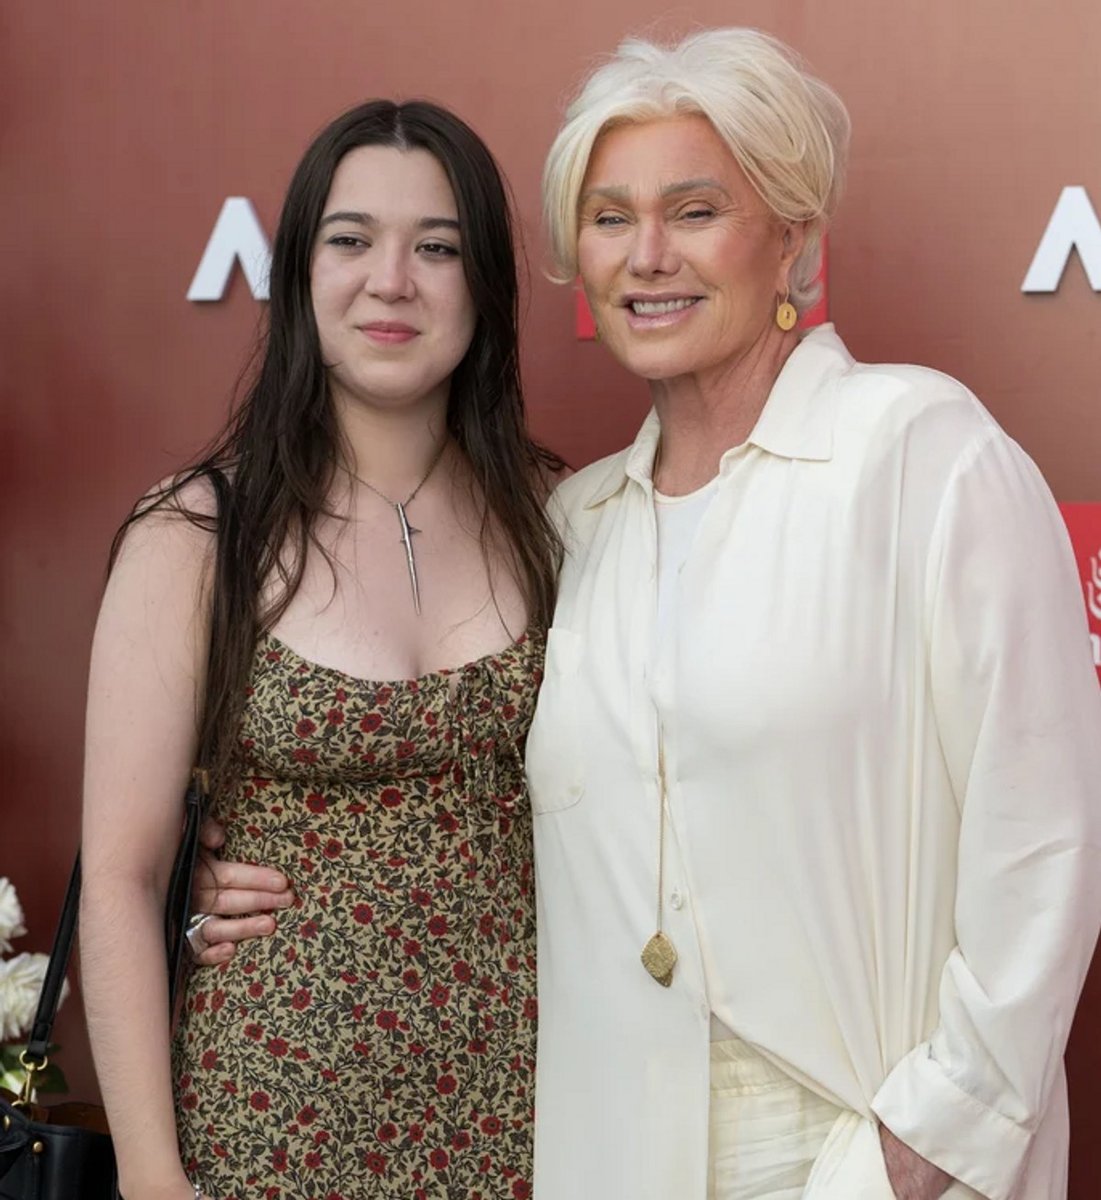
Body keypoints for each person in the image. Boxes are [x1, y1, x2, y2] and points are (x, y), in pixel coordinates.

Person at [194, 28, 1101, 1200]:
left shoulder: (924, 457)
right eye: (612, 218)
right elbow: (489, 816)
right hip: (610, 1148)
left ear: (795, 242)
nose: (647, 256)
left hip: (861, 1139)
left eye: (695, 209)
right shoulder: (575, 526)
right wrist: (252, 882)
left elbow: (1044, 839)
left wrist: (927, 1142)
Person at [80, 98, 561, 1200]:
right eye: (351, 240)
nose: (390, 280)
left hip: (535, 1123)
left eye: (435, 247)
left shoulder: (563, 523)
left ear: (484, 285)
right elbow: (118, 877)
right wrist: (156, 1182)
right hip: (266, 1131)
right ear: (300, 271)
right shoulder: (199, 531)